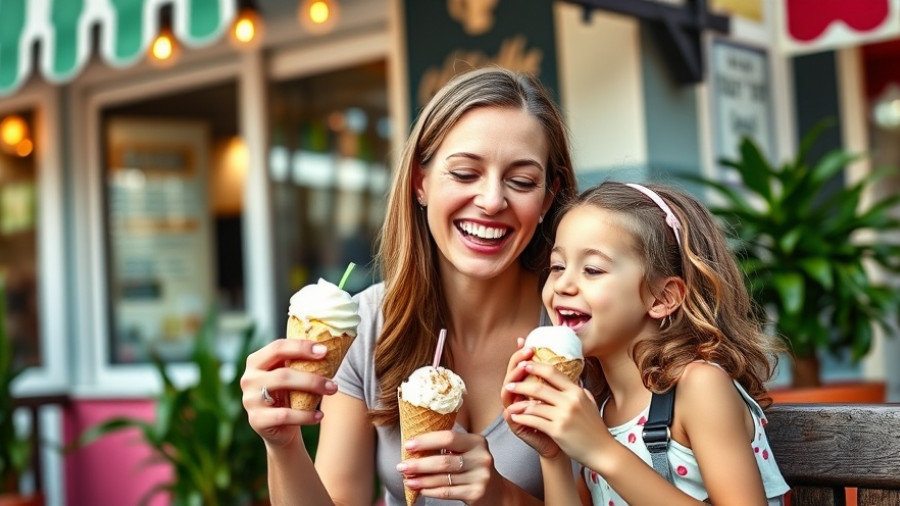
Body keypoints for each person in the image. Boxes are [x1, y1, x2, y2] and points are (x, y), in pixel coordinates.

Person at [241, 66, 577, 505]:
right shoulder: (363, 323)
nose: (493, 200)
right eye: (464, 173)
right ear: (420, 182)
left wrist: (502, 497)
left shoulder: (576, 327)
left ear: (548, 199)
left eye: (521, 181)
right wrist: (282, 444)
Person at [501, 181, 790, 505]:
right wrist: (553, 453)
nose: (563, 284)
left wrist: (601, 451)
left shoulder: (699, 386)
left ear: (662, 297)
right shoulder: (598, 405)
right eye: (557, 266)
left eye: (593, 269)